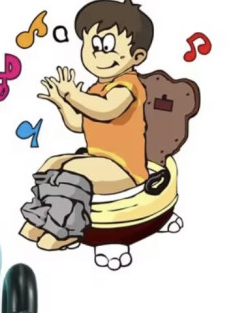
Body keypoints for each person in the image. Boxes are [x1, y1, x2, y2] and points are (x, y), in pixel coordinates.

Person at [20, 0, 154, 250]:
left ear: (137, 56)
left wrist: (73, 94)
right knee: (52, 164)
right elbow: (79, 125)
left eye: (107, 47)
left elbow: (106, 110)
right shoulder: (95, 89)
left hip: (125, 169)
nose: (96, 54)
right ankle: (43, 218)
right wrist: (62, 102)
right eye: (91, 44)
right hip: (100, 160)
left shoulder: (128, 85)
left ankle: (66, 230)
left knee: (73, 171)